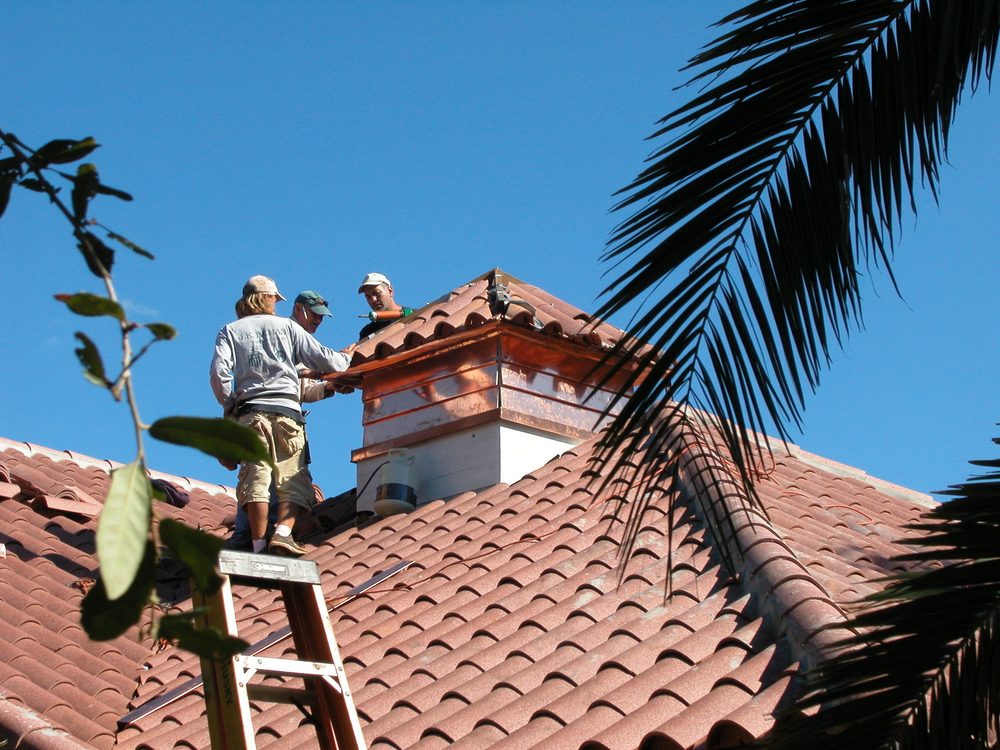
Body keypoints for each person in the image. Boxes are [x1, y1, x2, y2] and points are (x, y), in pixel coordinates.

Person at [210, 275, 356, 556]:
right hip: (286, 413)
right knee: (292, 478)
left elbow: (219, 374)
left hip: (250, 413)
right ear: (266, 298)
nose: (276, 304)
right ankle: (283, 534)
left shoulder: (229, 331)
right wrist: (346, 358)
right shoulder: (287, 328)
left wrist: (231, 404)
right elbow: (328, 360)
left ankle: (257, 544)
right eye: (275, 299)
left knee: (256, 478)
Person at [358, 272, 413, 338]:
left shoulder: (414, 315)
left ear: (390, 291)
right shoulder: (366, 333)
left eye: (376, 293)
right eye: (368, 297)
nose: (373, 300)